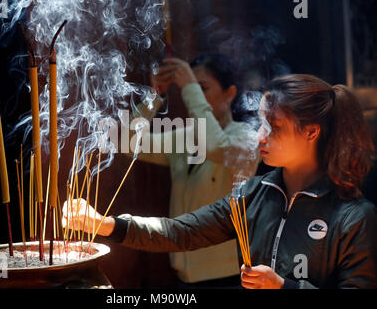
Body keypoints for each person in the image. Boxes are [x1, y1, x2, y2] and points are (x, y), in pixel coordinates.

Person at [65, 74, 377, 289]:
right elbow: (182, 231)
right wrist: (106, 224)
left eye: (276, 126)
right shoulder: (254, 194)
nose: (261, 136)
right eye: (262, 122)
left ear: (311, 131)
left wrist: (285, 285)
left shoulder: (354, 215)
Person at [124, 53, 261, 287]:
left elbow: (216, 146)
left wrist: (188, 85)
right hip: (183, 278)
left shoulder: (247, 137)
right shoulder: (188, 137)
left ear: (230, 93)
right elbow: (129, 143)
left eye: (202, 88)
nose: (192, 96)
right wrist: (155, 95)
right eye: (190, 89)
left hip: (229, 278)